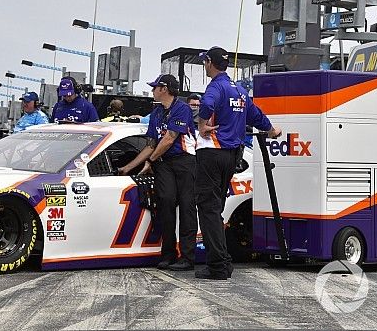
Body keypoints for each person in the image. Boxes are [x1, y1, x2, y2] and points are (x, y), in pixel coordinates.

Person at [195, 47, 281, 280]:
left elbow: (206, 106)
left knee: (208, 209)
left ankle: (218, 266)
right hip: (233, 156)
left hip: (213, 152)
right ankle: (222, 261)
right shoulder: (240, 91)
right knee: (216, 208)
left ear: (210, 63)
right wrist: (271, 130)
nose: (205, 67)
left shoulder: (216, 86)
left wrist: (202, 124)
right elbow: (256, 115)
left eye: (205, 63)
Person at [120, 74, 197, 271]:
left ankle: (187, 257)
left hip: (185, 162)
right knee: (165, 203)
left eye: (155, 87)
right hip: (163, 163)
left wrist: (151, 161)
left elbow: (170, 139)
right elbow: (151, 144)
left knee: (187, 207)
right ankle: (168, 254)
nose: (152, 90)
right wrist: (129, 167)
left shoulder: (183, 109)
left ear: (164, 88)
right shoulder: (156, 112)